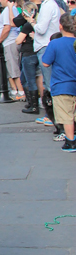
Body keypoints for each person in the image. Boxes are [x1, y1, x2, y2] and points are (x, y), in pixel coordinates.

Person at [41, 13, 76, 152]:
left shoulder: (55, 43)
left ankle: (70, 142)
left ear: (60, 26)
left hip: (62, 85)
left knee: (66, 116)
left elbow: (45, 62)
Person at [0, 0, 25, 100]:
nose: (0, 1)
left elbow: (8, 27)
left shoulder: (9, 9)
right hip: (8, 42)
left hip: (10, 41)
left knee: (13, 68)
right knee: (10, 67)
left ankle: (20, 91)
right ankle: (14, 90)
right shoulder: (7, 10)